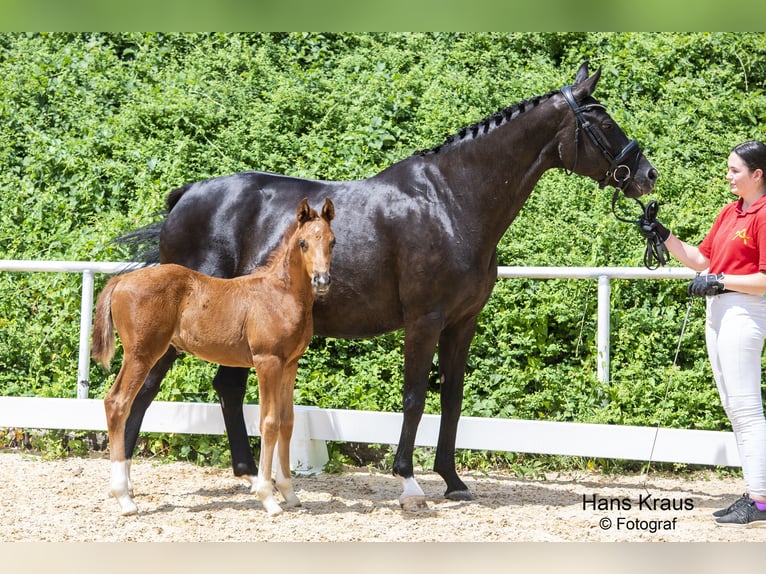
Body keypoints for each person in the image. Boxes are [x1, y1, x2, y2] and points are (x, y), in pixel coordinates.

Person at [641, 140, 766, 528]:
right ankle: (754, 492)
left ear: (757, 174)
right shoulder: (731, 211)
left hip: (746, 310)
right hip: (720, 309)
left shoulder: (764, 214)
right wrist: (661, 234)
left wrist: (719, 280)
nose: (728, 176)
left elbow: (763, 279)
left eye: (735, 171)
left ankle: (760, 499)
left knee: (747, 408)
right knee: (734, 406)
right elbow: (701, 259)